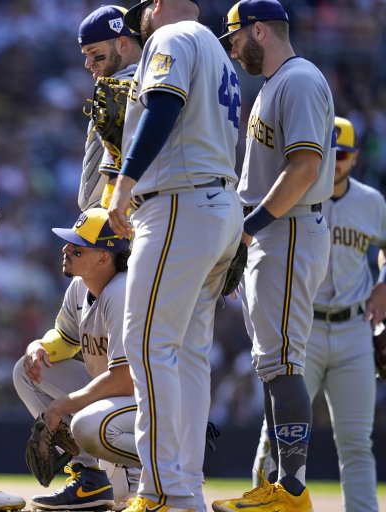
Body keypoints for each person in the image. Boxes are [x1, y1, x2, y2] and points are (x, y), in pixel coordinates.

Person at [105, 0, 243, 510]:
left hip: (180, 202)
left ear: (158, 6)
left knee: (147, 344)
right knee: (185, 354)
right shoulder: (217, 52)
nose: (141, 20)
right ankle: (186, 487)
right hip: (216, 203)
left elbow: (164, 103)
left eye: (143, 10)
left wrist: (124, 183)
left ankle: (161, 489)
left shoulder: (171, 35)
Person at [212, 0, 335, 510]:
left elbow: (304, 168)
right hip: (276, 232)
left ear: (259, 29)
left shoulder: (298, 79)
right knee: (270, 362)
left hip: (289, 229)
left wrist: (248, 229)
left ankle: (293, 491)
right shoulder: (272, 85)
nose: (233, 49)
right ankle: (277, 484)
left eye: (235, 38)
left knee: (282, 361)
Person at [251, 116, 385, 511]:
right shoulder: (298, 193)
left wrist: (383, 284)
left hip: (355, 328)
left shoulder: (372, 201)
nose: (338, 161)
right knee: (278, 431)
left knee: (357, 441)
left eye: (343, 154)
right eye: (332, 153)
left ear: (355, 157)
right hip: (302, 326)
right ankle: (262, 502)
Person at [13, 208, 138, 511]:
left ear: (104, 257)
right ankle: (91, 478)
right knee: (27, 371)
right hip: (117, 401)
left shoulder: (123, 292)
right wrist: (38, 346)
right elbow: (66, 339)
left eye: (77, 247)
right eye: (69, 242)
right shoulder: (80, 287)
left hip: (152, 406)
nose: (66, 249)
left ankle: (142, 478)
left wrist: (63, 405)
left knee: (83, 421)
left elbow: (124, 380)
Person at [77, 5, 143, 211]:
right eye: (85, 54)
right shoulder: (150, 83)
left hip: (118, 210)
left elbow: (116, 164)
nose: (88, 63)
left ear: (122, 44)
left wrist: (109, 210)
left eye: (95, 53)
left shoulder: (126, 88)